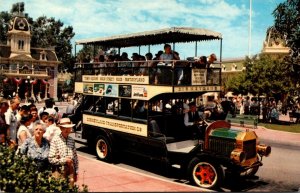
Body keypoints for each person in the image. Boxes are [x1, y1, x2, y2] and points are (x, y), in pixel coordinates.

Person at [48, 118, 78, 187]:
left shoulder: (72, 140)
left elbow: (75, 157)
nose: (67, 130)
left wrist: (76, 172)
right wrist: (64, 160)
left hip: (71, 170)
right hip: (59, 170)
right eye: (64, 128)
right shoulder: (55, 140)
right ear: (60, 128)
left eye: (69, 128)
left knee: (71, 188)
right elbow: (50, 159)